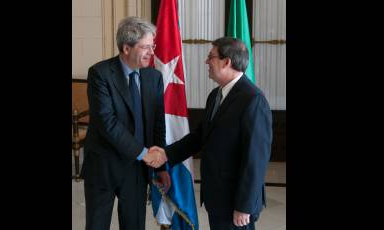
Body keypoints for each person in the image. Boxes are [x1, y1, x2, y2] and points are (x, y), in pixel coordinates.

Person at [148, 37, 273, 230]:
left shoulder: (253, 100)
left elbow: (255, 160)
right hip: (217, 198)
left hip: (236, 203)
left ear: (226, 62)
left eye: (211, 57)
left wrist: (244, 206)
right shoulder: (216, 95)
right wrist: (165, 154)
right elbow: (199, 137)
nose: (207, 62)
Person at [80, 16, 170, 230]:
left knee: (134, 225)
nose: (152, 52)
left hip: (137, 168)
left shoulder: (153, 77)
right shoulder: (99, 74)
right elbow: (107, 123)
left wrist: (161, 166)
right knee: (97, 225)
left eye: (153, 46)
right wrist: (144, 152)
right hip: (103, 165)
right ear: (126, 48)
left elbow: (158, 124)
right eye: (145, 47)